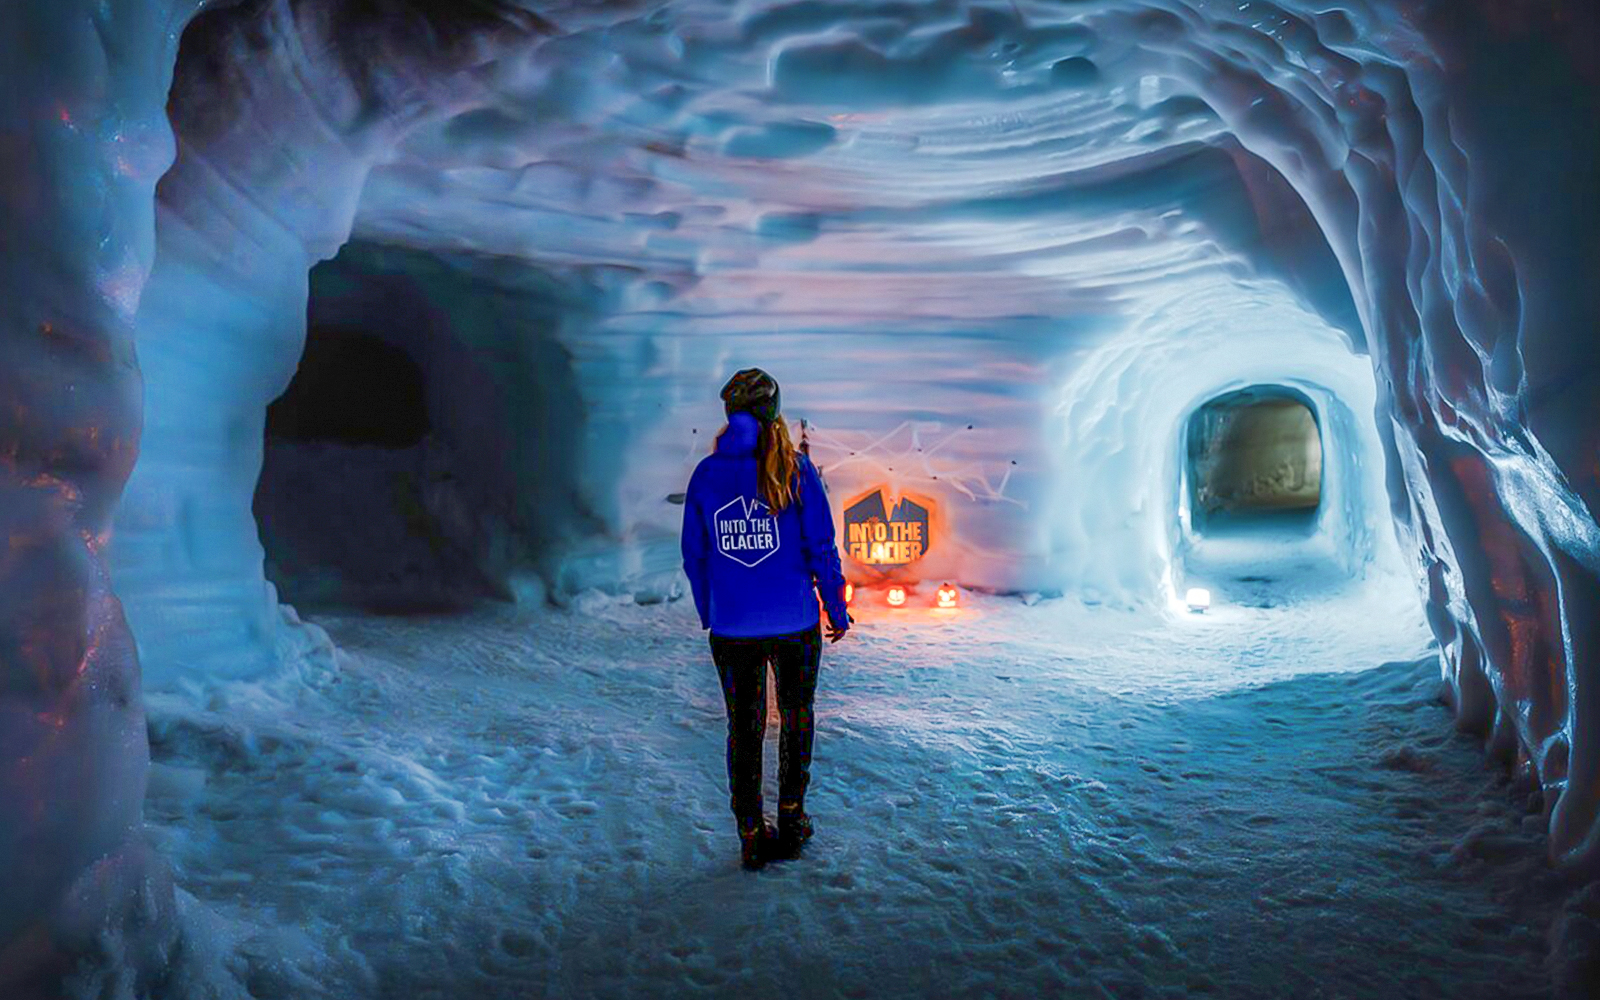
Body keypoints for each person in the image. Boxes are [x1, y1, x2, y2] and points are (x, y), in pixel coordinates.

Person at [680, 368, 851, 871]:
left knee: (745, 726)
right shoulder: (797, 469)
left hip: (733, 628)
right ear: (774, 412)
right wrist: (835, 608)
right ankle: (793, 817)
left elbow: (695, 555)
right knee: (797, 716)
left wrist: (711, 609)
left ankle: (751, 832)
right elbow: (822, 547)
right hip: (794, 622)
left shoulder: (707, 474)